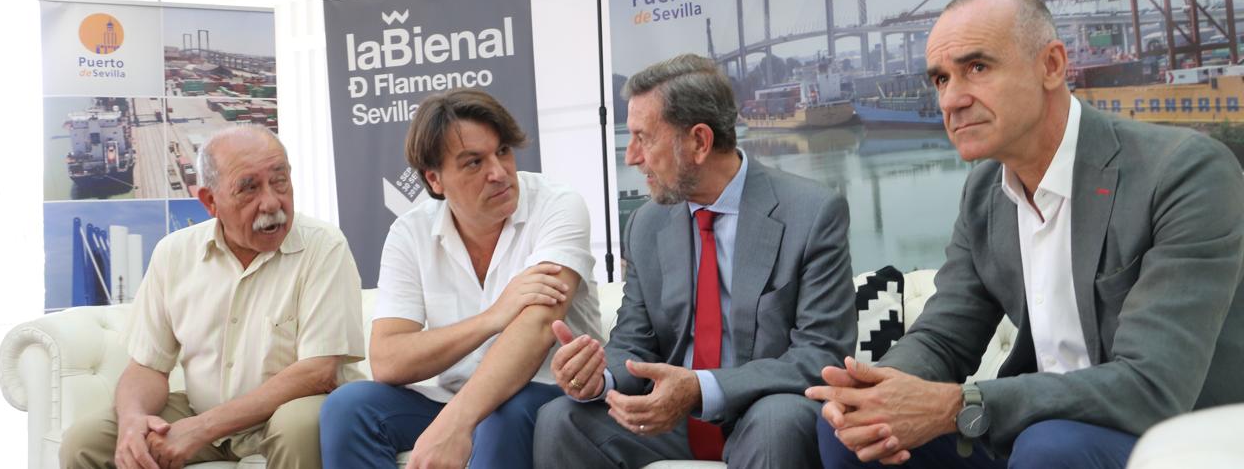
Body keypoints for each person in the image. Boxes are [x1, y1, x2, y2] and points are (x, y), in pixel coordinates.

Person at [810, 0, 1244, 468]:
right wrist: (878, 393)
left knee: (1051, 446)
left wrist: (960, 405)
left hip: (1177, 440)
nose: (952, 99)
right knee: (848, 431)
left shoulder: (1183, 173)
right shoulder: (984, 193)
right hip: (1039, 437)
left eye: (977, 68)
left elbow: (1152, 386)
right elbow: (943, 339)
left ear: (1052, 66)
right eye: (940, 79)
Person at [534, 53, 855, 468]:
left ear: (699, 142)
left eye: (643, 138)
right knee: (561, 418)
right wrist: (600, 376)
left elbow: (819, 357)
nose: (631, 156)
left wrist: (701, 387)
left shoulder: (811, 213)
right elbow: (634, 341)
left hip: (764, 412)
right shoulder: (647, 225)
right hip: (673, 423)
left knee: (778, 420)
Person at [319, 89, 601, 469]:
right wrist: (492, 318)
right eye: (473, 163)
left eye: (502, 151)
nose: (499, 173)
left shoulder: (558, 205)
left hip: (547, 397)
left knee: (502, 413)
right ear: (435, 180)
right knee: (348, 407)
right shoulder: (409, 233)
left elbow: (536, 330)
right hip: (447, 399)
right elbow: (387, 360)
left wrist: (457, 423)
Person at [61, 125, 365, 469]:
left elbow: (317, 374)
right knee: (85, 442)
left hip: (288, 413)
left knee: (298, 426)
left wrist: (200, 430)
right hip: (199, 410)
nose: (271, 202)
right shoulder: (174, 253)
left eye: (280, 181)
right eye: (248, 188)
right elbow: (147, 366)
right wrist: (132, 419)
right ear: (210, 201)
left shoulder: (324, 246)